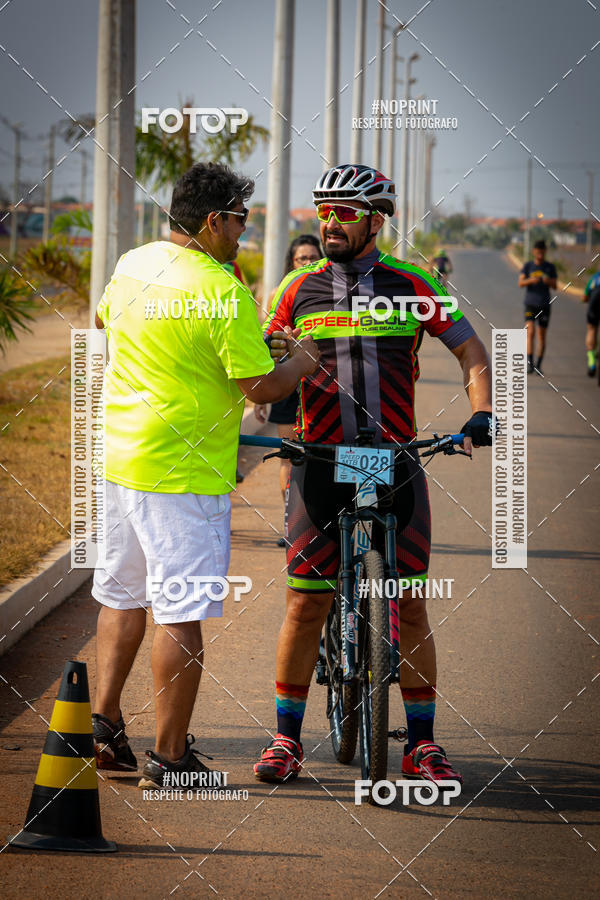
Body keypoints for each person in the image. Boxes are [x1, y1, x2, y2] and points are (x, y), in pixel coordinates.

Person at [253, 163, 493, 787]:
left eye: (345, 213)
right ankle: (285, 740)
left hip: (395, 459)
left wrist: (482, 412)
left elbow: (470, 349)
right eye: (323, 212)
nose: (330, 223)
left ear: (377, 220)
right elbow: (258, 360)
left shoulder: (414, 283)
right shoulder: (296, 288)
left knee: (409, 607)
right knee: (305, 606)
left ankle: (422, 745)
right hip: (320, 460)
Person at [91, 161, 319, 788]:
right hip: (184, 474)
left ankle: (103, 729)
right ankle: (169, 758)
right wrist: (301, 362)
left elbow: (106, 323)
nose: (245, 232)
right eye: (241, 219)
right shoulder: (222, 290)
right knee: (181, 611)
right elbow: (261, 387)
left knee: (122, 595)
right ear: (215, 220)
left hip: (122, 460)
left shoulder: (134, 263)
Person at [254, 235, 323, 545]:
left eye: (312, 257)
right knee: (290, 457)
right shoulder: (280, 293)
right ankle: (290, 522)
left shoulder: (332, 290)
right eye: (301, 259)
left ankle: (321, 521)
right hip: (288, 382)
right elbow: (267, 344)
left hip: (321, 386)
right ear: (291, 262)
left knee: (319, 458)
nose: (307, 262)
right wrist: (262, 393)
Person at [518, 239, 557, 374]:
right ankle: (530, 364)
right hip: (530, 305)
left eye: (542, 251)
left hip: (545, 305)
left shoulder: (550, 267)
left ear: (545, 252)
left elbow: (555, 285)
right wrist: (531, 280)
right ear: (534, 251)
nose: (540, 254)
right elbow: (520, 283)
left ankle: (538, 365)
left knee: (541, 335)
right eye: (538, 251)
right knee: (530, 332)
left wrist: (548, 281)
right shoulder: (528, 266)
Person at [583, 269, 600, 377]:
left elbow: (585, 297)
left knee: (592, 329)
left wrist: (585, 300)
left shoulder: (595, 277)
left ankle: (591, 361)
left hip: (594, 304)